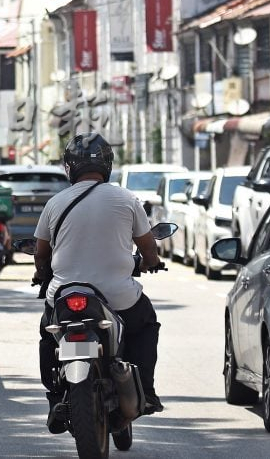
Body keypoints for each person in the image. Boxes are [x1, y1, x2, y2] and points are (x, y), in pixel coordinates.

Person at [32, 133, 164, 434]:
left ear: (70, 167)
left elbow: (41, 254)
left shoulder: (55, 203)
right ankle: (147, 390)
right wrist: (150, 263)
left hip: (64, 295)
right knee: (145, 325)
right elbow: (148, 249)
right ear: (107, 164)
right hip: (117, 296)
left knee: (46, 336)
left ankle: (54, 398)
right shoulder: (126, 198)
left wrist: (42, 273)